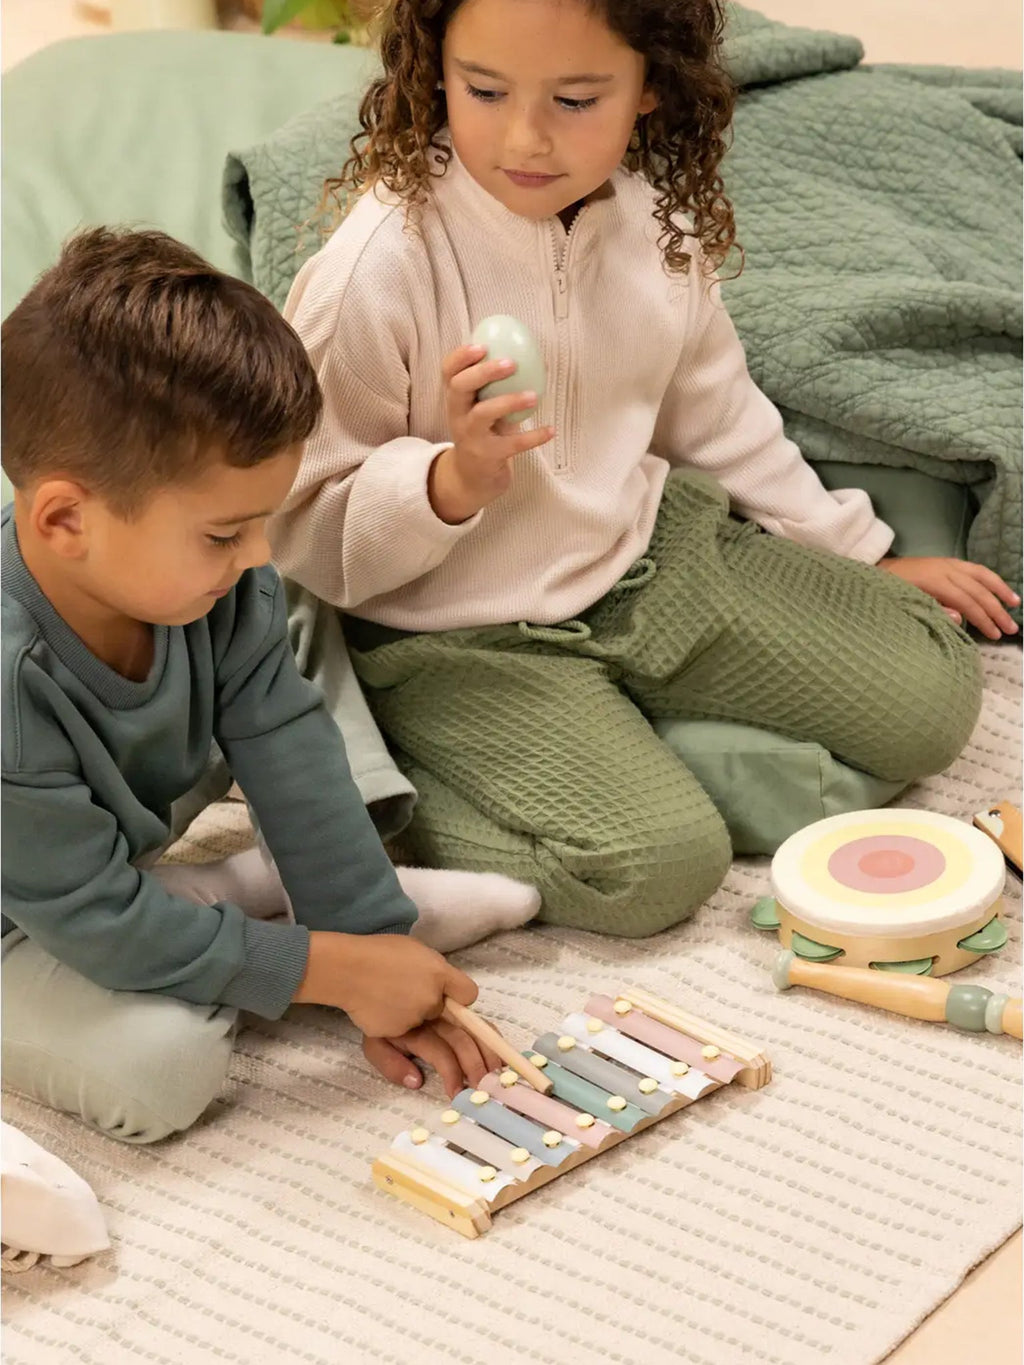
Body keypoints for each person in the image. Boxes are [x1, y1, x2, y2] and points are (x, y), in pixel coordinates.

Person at [269, 0, 1014, 939]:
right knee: (658, 872)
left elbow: (718, 412)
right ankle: (375, 817)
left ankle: (629, 730)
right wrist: (449, 481)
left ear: (649, 89)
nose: (526, 137)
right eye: (484, 91)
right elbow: (300, 524)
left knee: (933, 697)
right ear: (435, 70)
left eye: (577, 99)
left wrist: (855, 552)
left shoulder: (659, 228)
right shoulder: (379, 266)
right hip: (457, 639)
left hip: (645, 564)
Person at [1, 228, 540, 1145]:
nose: (258, 557)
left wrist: (371, 939)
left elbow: (290, 746)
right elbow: (92, 923)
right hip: (29, 911)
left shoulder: (213, 581)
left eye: (261, 524)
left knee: (278, 722)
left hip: (86, 860)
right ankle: (221, 902)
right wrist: (325, 972)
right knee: (165, 1070)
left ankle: (231, 897)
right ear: (64, 520)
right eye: (223, 534)